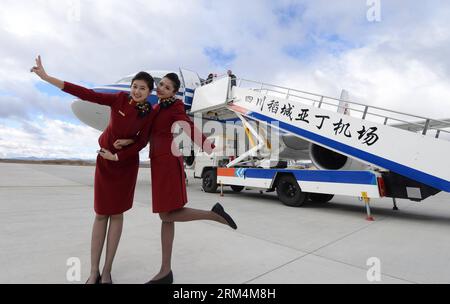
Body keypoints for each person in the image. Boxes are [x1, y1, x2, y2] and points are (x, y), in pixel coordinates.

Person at [30, 56, 156, 284]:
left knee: (117, 215)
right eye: (135, 86)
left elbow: (142, 142)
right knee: (100, 215)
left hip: (125, 165)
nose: (137, 91)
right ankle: (93, 271)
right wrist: (47, 78)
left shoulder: (148, 113)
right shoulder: (118, 100)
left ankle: (107, 271)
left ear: (149, 92)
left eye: (142, 88)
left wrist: (122, 150)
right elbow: (86, 93)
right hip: (105, 163)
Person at [125, 73, 237, 284]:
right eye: (161, 85)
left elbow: (188, 126)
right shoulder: (157, 107)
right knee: (168, 216)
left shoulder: (174, 107)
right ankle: (165, 271)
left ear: (174, 92)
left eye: (167, 87)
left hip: (167, 162)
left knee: (166, 216)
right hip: (158, 163)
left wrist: (207, 145)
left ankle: (214, 215)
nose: (161, 88)